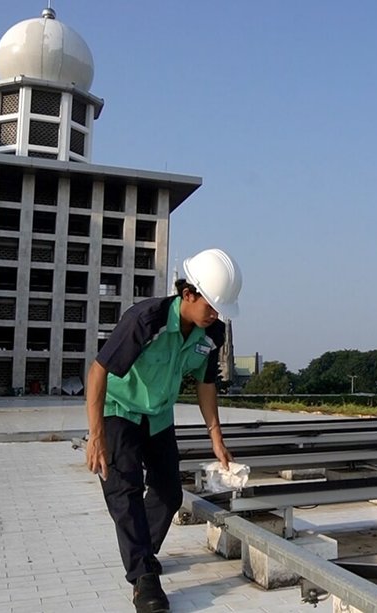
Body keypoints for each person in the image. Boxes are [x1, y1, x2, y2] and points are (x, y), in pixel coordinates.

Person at [85, 248, 242, 613]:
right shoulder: (146, 320)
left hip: (157, 416)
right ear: (188, 294)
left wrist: (216, 438)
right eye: (212, 305)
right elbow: (98, 371)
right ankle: (143, 579)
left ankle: (141, 553)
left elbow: (205, 384)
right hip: (118, 411)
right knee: (123, 491)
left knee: (169, 492)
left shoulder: (211, 331)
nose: (216, 315)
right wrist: (96, 435)